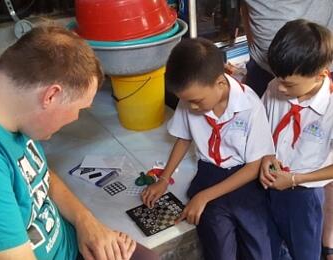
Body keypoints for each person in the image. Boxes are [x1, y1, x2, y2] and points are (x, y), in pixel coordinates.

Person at [0, 25, 159, 260]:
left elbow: (40, 176)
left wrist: (85, 220)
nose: (76, 118)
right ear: (51, 96)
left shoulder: (11, 109)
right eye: (80, 109)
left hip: (69, 239)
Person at [142, 37, 275, 260]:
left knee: (260, 249)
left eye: (196, 101)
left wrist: (204, 196)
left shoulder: (250, 105)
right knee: (219, 248)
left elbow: (253, 167)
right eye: (186, 101)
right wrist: (164, 179)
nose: (191, 107)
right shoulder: (189, 100)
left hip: (244, 177)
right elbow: (183, 139)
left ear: (220, 83)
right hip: (209, 173)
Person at [259, 19, 333, 260]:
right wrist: (265, 157)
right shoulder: (274, 87)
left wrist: (294, 179)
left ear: (320, 74)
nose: (279, 88)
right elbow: (261, 128)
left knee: (304, 251)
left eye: (289, 84)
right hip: (269, 182)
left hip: (304, 193)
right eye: (278, 78)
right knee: (271, 246)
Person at [240, 0, 333, 97]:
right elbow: (244, 7)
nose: (279, 88)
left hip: (316, 68)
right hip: (261, 65)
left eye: (287, 85)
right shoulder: (272, 87)